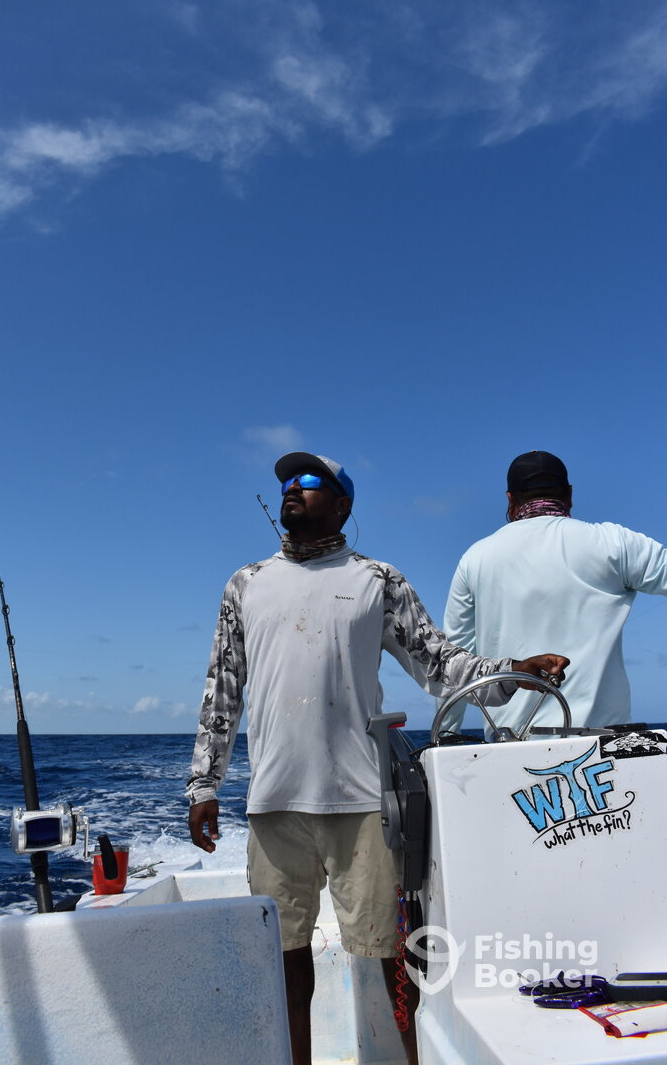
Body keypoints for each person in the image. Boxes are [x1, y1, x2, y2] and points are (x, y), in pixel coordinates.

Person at [187, 451, 568, 1065]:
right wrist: (204, 785)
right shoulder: (245, 584)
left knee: (394, 963)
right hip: (274, 806)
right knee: (284, 964)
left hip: (362, 803)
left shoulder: (378, 581)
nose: (292, 489)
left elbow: (440, 664)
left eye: (309, 481)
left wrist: (512, 672)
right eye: (286, 482)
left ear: (342, 505)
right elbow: (222, 689)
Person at [444, 449, 667, 735]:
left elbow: (453, 660)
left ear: (510, 500)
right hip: (605, 744)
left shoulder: (475, 559)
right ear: (569, 495)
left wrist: (447, 736)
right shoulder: (614, 542)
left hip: (510, 746)